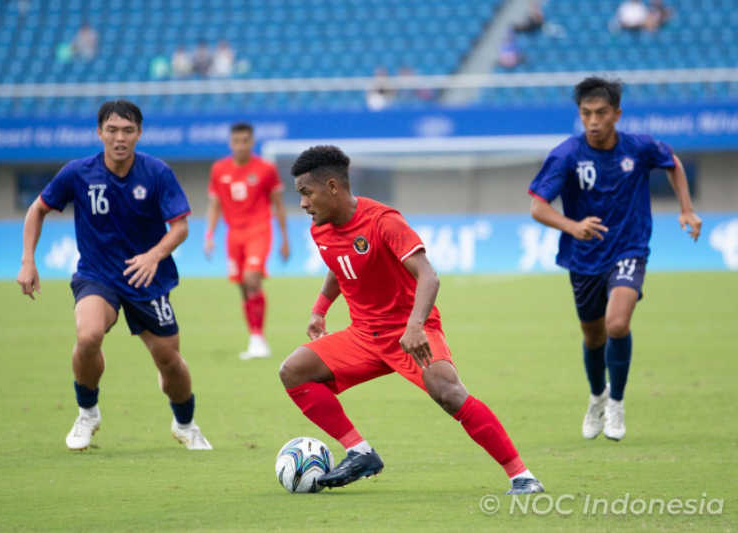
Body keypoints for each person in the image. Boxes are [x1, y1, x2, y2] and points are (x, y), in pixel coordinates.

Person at [278, 145, 544, 494]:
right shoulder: (321, 229)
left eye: (306, 193)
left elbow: (428, 275)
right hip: (362, 336)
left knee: (448, 393)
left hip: (410, 332)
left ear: (332, 187)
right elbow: (337, 266)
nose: (302, 204)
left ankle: (522, 476)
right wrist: (319, 309)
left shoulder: (383, 221)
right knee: (293, 371)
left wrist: (415, 326)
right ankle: (360, 452)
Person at [17, 100, 212, 451]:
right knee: (88, 334)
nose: (119, 138)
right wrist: (28, 261)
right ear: (99, 132)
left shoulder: (157, 173)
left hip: (147, 280)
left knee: (170, 362)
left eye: (127, 130)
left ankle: (185, 423)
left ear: (139, 134)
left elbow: (180, 226)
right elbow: (37, 209)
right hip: (98, 275)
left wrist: (154, 255)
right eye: (112, 130)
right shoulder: (78, 173)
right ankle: (87, 412)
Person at [528, 77, 702, 441]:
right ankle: (597, 397)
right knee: (593, 338)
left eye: (601, 113)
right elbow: (538, 207)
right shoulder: (567, 154)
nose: (593, 121)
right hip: (584, 256)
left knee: (617, 324)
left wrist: (686, 209)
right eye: (586, 113)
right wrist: (573, 226)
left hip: (629, 248)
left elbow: (672, 162)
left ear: (616, 114)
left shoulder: (638, 148)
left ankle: (617, 403)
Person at [204, 122, 290, 359]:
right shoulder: (219, 169)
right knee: (243, 286)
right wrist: (209, 236)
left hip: (259, 230)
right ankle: (255, 336)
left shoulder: (265, 169)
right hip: (234, 234)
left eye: (245, 141)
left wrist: (285, 239)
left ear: (252, 142)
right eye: (237, 141)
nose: (241, 145)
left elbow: (279, 205)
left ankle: (258, 339)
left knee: (252, 278)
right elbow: (215, 205)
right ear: (231, 143)